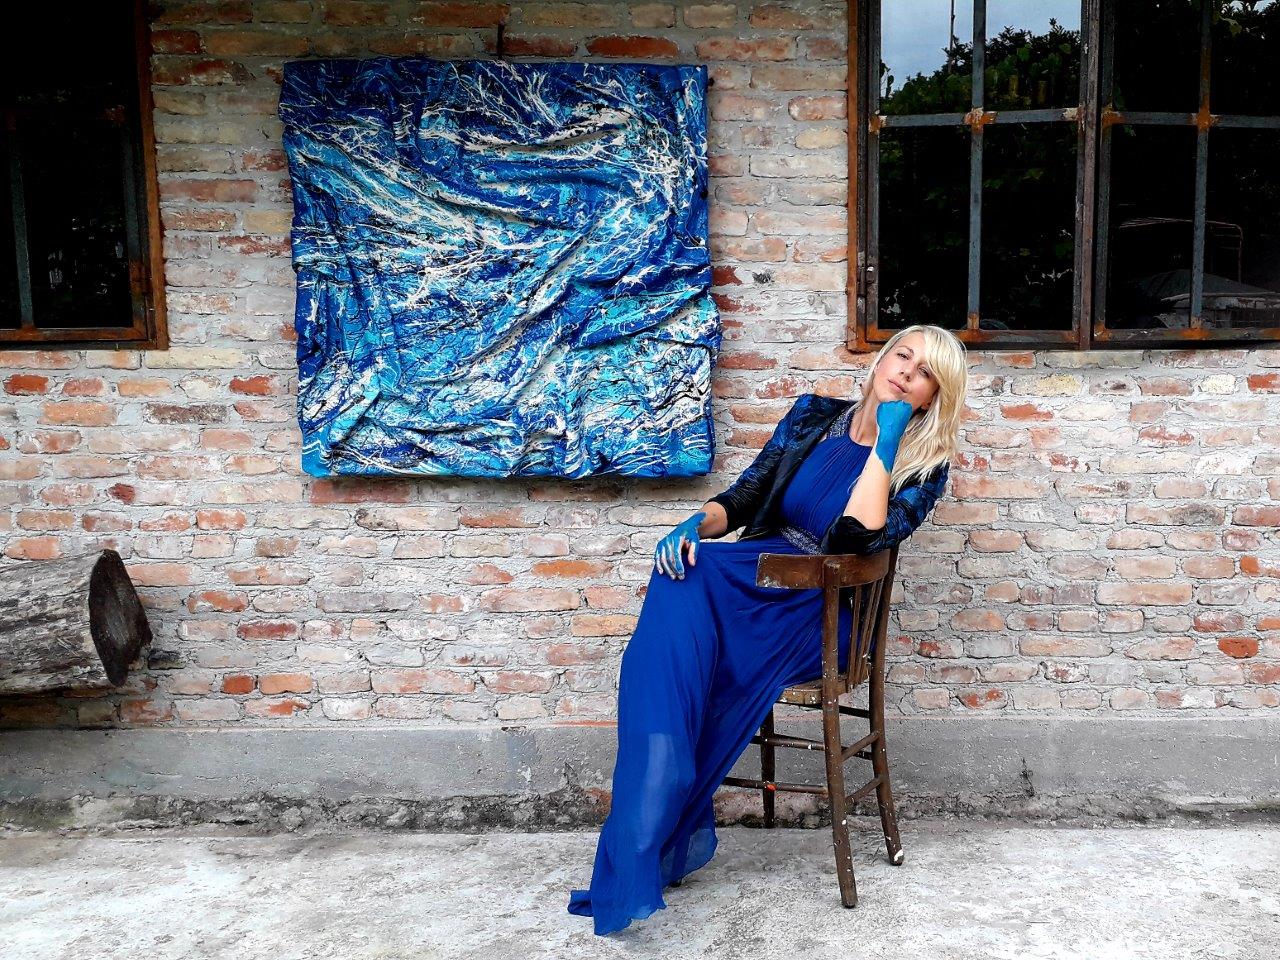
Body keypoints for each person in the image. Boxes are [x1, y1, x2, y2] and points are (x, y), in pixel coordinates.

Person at [568, 324, 969, 936]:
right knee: (681, 572)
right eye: (902, 356)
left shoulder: (924, 466)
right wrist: (694, 522)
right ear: (883, 358)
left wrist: (886, 442)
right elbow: (746, 496)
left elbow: (855, 539)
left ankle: (670, 782)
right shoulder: (813, 417)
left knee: (692, 602)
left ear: (932, 396)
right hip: (760, 579)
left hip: (820, 611)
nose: (906, 373)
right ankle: (667, 770)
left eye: (925, 375)